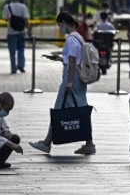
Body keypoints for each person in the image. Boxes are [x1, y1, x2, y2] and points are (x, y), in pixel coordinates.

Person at [30, 12, 96, 156]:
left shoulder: (71, 39)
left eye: (59, 24)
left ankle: (46, 143)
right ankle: (89, 144)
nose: (59, 27)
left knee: (59, 108)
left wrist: (70, 82)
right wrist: (60, 58)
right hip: (78, 77)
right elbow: (73, 59)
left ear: (65, 22)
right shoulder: (78, 37)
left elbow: (72, 61)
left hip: (71, 77)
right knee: (81, 108)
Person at [3, 0, 29, 74]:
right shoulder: (23, 6)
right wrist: (28, 29)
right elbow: (26, 19)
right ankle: (21, 66)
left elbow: (6, 19)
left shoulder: (7, 7)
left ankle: (13, 69)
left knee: (12, 51)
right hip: (21, 31)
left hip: (11, 32)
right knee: (21, 49)